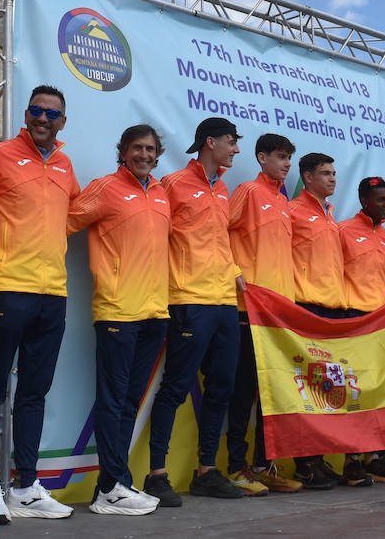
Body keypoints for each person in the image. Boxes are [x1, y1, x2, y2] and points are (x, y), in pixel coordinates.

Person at [0, 86, 80, 522]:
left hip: (53, 293)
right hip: (5, 288)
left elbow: (70, 216)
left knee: (34, 393)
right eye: (36, 111)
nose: (43, 118)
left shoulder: (65, 164)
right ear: (26, 113)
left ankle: (26, 485)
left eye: (51, 113)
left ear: (62, 121)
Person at [68, 124, 171, 516]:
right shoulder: (105, 187)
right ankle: (112, 486)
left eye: (149, 148)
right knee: (112, 403)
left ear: (157, 154)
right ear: (123, 152)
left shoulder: (161, 194)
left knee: (129, 401)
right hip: (116, 311)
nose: (143, 154)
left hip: (154, 312)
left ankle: (111, 485)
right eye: (136, 148)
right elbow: (62, 222)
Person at [143, 117, 246, 506]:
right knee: (175, 387)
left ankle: (206, 471)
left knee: (222, 387)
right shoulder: (172, 185)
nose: (235, 149)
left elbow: (219, 242)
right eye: (231, 142)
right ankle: (156, 474)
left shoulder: (222, 189)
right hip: (188, 299)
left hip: (224, 303)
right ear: (210, 142)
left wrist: (235, 272)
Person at [225, 133, 302, 495]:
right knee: (242, 394)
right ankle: (236, 468)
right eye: (281, 157)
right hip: (248, 311)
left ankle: (262, 465)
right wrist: (234, 271)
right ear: (261, 157)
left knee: (269, 394)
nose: (287, 163)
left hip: (278, 313)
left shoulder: (282, 200)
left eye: (289, 158)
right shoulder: (247, 191)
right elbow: (217, 230)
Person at [338, 177, 385, 485]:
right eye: (380, 199)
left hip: (381, 321)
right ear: (364, 200)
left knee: (378, 391)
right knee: (355, 392)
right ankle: (351, 460)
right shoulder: (343, 231)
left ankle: (374, 456)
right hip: (354, 318)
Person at [286, 152, 345, 491]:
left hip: (333, 310)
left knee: (328, 390)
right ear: (307, 177)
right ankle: (304, 463)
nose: (332, 178)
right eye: (325, 173)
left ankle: (319, 458)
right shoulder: (293, 212)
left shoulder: (331, 216)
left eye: (334, 172)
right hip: (306, 307)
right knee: (306, 389)